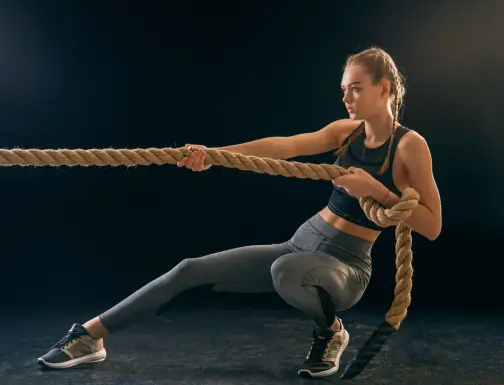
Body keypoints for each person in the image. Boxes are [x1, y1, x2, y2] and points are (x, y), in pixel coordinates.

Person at [36, 47, 442, 378]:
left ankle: (331, 331)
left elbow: (432, 225)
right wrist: (215, 156)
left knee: (288, 272)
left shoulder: (409, 147)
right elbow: (283, 146)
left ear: (384, 88)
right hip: (301, 243)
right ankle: (89, 336)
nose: (345, 98)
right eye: (343, 89)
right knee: (189, 270)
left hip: (346, 267)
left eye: (355, 89)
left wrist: (375, 190)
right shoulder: (346, 132)